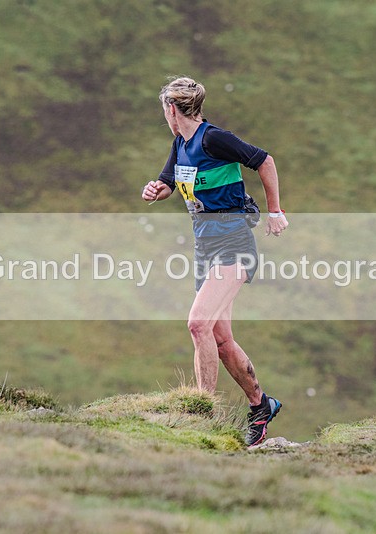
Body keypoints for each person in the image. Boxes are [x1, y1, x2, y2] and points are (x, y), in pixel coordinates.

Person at [141, 76, 289, 447]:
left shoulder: (212, 139)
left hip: (235, 243)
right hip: (205, 249)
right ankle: (261, 405)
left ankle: (200, 411)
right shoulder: (181, 144)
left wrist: (275, 211)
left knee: (197, 324)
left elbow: (264, 160)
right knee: (221, 339)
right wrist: (157, 190)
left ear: (170, 109)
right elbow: (168, 183)